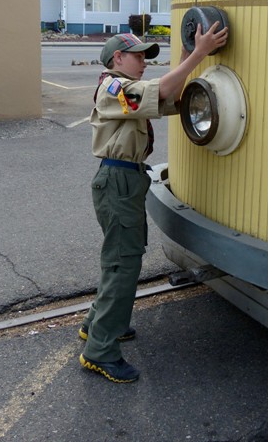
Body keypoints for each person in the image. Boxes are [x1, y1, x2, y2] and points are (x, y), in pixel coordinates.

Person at [79, 23, 229, 383]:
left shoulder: (126, 88)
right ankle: (100, 350)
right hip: (118, 180)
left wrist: (185, 57)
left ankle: (96, 324)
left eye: (147, 56)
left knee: (122, 257)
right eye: (138, 56)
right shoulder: (113, 85)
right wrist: (198, 54)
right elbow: (161, 89)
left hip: (127, 180)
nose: (144, 61)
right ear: (118, 58)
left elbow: (169, 97)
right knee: (123, 261)